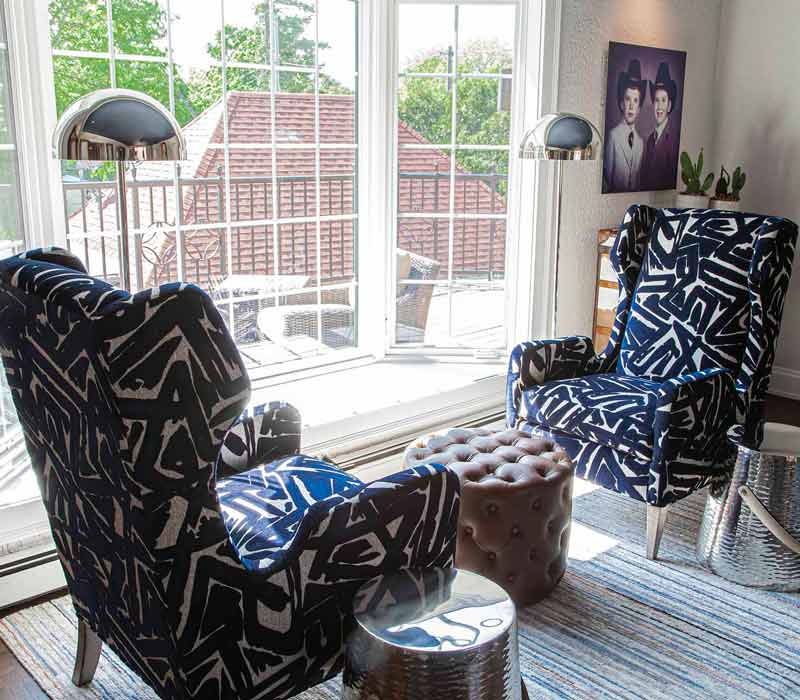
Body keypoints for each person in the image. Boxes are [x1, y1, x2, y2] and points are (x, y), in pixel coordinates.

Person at [603, 59, 646, 192]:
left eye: (635, 100)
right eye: (628, 99)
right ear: (622, 104)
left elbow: (637, 182)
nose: (631, 106)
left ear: (639, 109)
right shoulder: (613, 136)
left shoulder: (640, 143)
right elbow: (606, 180)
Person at [641, 62, 679, 190]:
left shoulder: (673, 140)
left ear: (669, 106)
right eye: (656, 100)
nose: (659, 106)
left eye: (663, 100)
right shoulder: (650, 140)